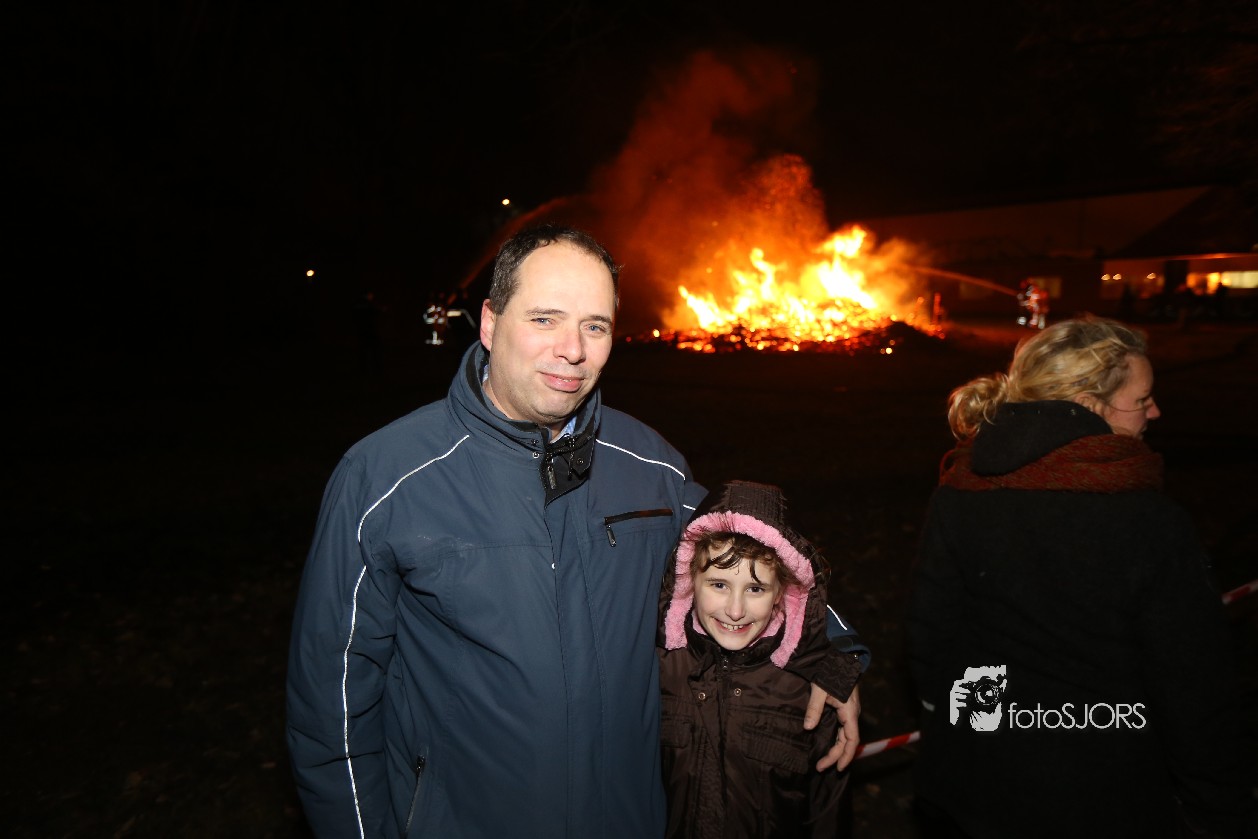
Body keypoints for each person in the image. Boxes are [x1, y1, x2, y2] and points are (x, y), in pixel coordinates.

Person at [286, 225, 863, 838]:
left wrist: (837, 659)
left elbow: (759, 556)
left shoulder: (649, 465)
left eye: (595, 326)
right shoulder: (385, 478)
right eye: (545, 319)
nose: (573, 350)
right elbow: (332, 705)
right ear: (490, 323)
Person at [909, 316, 1249, 838]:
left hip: (978, 784)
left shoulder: (961, 490)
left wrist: (958, 725)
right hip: (1103, 792)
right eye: (1142, 399)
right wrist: (1219, 807)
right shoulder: (1148, 522)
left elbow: (932, 636)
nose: (1155, 411)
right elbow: (1192, 684)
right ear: (1089, 406)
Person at [658, 481, 862, 838]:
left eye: (755, 589)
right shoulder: (659, 669)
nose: (735, 610)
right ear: (689, 579)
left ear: (783, 592)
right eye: (719, 585)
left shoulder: (810, 691)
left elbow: (826, 811)